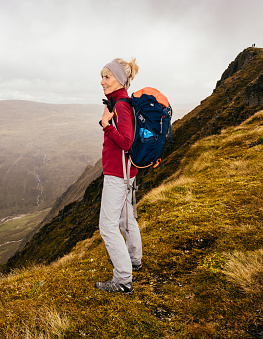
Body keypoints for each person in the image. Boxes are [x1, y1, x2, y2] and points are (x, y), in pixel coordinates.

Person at [95, 58, 143, 295]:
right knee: (126, 220)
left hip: (118, 174)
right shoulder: (121, 101)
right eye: (102, 76)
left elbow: (126, 141)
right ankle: (134, 261)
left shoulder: (122, 105)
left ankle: (123, 280)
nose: (102, 81)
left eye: (107, 77)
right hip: (126, 172)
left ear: (119, 80)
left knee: (108, 226)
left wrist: (106, 125)